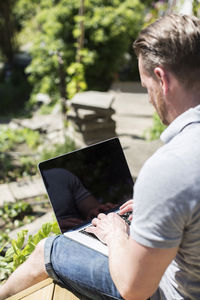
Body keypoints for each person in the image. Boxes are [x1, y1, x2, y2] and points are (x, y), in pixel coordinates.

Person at [1, 13, 200, 300]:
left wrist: (116, 233)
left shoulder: (170, 168)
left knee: (49, 248)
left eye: (146, 88)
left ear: (161, 79)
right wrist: (153, 210)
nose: (148, 98)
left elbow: (134, 289)